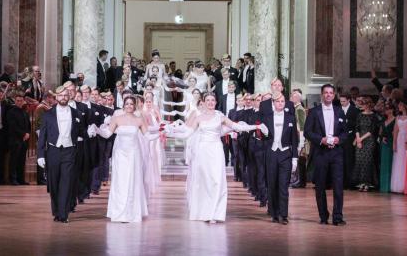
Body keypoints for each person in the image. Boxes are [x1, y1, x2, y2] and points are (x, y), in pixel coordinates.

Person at [164, 92, 255, 223]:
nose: (211, 102)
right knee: (205, 181)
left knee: (217, 180)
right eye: (208, 100)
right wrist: (169, 133)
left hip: (216, 150)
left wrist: (255, 126)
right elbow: (187, 134)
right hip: (202, 151)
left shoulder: (220, 116)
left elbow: (236, 127)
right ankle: (205, 212)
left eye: (213, 100)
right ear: (204, 102)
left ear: (216, 102)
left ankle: (215, 213)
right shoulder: (198, 117)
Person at [96, 95, 154, 223]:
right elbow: (107, 134)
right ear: (123, 105)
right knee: (121, 182)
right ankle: (119, 212)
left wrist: (161, 133)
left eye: (131, 104)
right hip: (120, 154)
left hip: (134, 154)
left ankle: (132, 212)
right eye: (127, 104)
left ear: (134, 106)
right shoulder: (117, 118)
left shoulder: (139, 120)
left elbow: (148, 136)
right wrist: (97, 130)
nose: (129, 106)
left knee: (132, 181)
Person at [37, 86, 87, 223]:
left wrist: (83, 135)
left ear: (69, 96)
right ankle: (57, 211)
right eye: (61, 95)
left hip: (69, 151)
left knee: (66, 181)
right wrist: (40, 155)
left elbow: (82, 131)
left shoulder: (76, 114)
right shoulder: (48, 114)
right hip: (53, 151)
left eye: (66, 95)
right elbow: (42, 136)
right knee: (54, 183)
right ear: (56, 97)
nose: (63, 97)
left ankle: (63, 214)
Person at [304, 84, 347, 226]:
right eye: (326, 93)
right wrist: (320, 140)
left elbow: (345, 132)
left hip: (336, 153)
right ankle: (323, 216)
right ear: (322, 95)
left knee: (338, 186)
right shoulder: (314, 111)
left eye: (331, 93)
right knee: (320, 186)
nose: (328, 95)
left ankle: (337, 217)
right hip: (321, 152)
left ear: (334, 95)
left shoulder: (339, 111)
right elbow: (307, 132)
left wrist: (338, 139)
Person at [258, 93, 298, 224]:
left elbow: (294, 140)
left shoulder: (291, 118)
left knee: (283, 186)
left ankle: (284, 215)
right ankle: (274, 213)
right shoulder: (267, 117)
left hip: (285, 154)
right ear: (273, 103)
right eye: (278, 101)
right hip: (271, 153)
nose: (280, 103)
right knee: (272, 185)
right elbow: (262, 137)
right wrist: (262, 134)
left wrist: (294, 158)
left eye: (282, 101)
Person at [352, 98, 378, 191]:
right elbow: (357, 128)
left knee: (367, 162)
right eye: (362, 104)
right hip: (360, 138)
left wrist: (361, 139)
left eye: (364, 104)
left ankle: (367, 183)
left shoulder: (374, 116)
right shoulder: (359, 115)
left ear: (369, 105)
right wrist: (358, 139)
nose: (363, 106)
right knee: (359, 161)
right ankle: (360, 183)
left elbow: (372, 130)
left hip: (369, 140)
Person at [7, 92, 31, 185]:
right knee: (14, 160)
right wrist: (23, 134)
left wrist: (28, 133)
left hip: (24, 140)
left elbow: (28, 126)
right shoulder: (11, 112)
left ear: (23, 101)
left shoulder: (25, 112)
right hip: (15, 140)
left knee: (22, 161)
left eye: (21, 101)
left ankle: (21, 179)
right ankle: (13, 179)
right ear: (15, 101)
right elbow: (13, 126)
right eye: (17, 101)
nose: (19, 102)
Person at [390, 103, 407, 193]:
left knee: (406, 160)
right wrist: (394, 143)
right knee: (399, 160)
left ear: (405, 106)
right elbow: (395, 131)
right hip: (399, 139)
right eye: (398, 106)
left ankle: (405, 185)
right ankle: (397, 185)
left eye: (400, 106)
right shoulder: (398, 117)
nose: (399, 107)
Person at [340, 93, 359, 189]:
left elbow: (357, 124)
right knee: (341, 161)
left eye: (343, 101)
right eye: (341, 101)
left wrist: (348, 121)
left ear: (348, 100)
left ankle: (351, 183)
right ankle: (342, 183)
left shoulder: (355, 110)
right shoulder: (338, 110)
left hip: (350, 137)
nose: (342, 103)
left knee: (349, 160)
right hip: (340, 138)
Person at [379, 103, 396, 193]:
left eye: (388, 109)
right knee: (384, 164)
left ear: (392, 110)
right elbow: (380, 131)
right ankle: (383, 186)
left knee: (390, 163)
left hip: (391, 142)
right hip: (384, 143)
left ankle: (389, 186)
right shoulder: (384, 119)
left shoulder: (395, 119)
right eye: (385, 109)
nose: (386, 111)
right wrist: (382, 137)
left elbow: (396, 132)